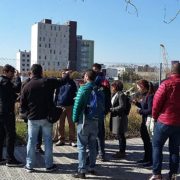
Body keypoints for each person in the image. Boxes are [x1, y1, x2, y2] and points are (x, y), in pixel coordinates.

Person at [20, 64, 68, 172]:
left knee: (31, 142)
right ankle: (49, 165)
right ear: (41, 72)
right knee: (48, 142)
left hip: (33, 118)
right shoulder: (48, 82)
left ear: (31, 73)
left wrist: (28, 114)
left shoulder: (26, 85)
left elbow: (22, 105)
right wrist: (66, 75)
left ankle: (29, 166)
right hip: (47, 118)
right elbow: (62, 82)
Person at [149, 63, 180, 180]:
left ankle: (157, 174)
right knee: (175, 149)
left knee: (157, 146)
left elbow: (156, 102)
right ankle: (173, 175)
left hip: (164, 121)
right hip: (178, 123)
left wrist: (154, 117)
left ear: (171, 71)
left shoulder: (166, 84)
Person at [72, 70, 98, 179]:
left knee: (82, 146)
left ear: (87, 77)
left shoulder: (83, 88)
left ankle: (81, 171)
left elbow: (77, 105)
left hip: (84, 120)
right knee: (93, 145)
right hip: (96, 121)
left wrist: (74, 118)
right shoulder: (99, 89)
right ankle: (92, 168)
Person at [0, 64, 23, 167]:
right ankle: (10, 159)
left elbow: (9, 95)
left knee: (1, 135)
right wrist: (18, 78)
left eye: (14, 73)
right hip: (7, 112)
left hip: (1, 112)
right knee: (10, 135)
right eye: (12, 72)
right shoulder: (6, 82)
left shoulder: (1, 81)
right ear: (6, 71)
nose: (13, 74)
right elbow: (17, 89)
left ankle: (0, 158)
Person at [20, 73, 44, 154]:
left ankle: (37, 146)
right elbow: (22, 99)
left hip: (38, 111)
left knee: (39, 131)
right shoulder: (26, 84)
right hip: (29, 113)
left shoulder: (40, 83)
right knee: (29, 131)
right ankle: (30, 147)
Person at [133, 79, 154, 167]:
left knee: (148, 142)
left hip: (148, 121)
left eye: (138, 88)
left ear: (142, 87)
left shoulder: (150, 96)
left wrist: (140, 111)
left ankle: (150, 160)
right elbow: (143, 106)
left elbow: (150, 110)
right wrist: (137, 103)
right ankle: (146, 158)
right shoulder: (145, 95)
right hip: (144, 120)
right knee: (145, 141)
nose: (138, 89)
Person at [92, 63, 111, 161]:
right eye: (93, 70)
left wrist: (106, 109)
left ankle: (101, 153)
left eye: (95, 70)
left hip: (99, 110)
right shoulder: (93, 80)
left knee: (99, 133)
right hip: (93, 110)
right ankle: (96, 152)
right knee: (95, 133)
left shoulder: (103, 81)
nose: (94, 71)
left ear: (99, 70)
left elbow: (108, 96)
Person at [54, 69, 77, 147]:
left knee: (71, 123)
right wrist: (55, 104)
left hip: (70, 106)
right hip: (60, 105)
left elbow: (75, 94)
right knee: (60, 124)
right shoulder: (59, 83)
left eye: (66, 73)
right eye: (63, 73)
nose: (64, 74)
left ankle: (72, 140)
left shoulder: (72, 83)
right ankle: (61, 139)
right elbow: (56, 94)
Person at [109, 80, 127, 158]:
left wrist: (112, 109)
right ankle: (121, 151)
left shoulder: (121, 95)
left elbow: (122, 106)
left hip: (120, 117)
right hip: (116, 116)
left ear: (116, 87)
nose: (111, 88)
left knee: (121, 135)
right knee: (119, 135)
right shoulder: (115, 94)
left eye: (112, 86)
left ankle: (122, 152)